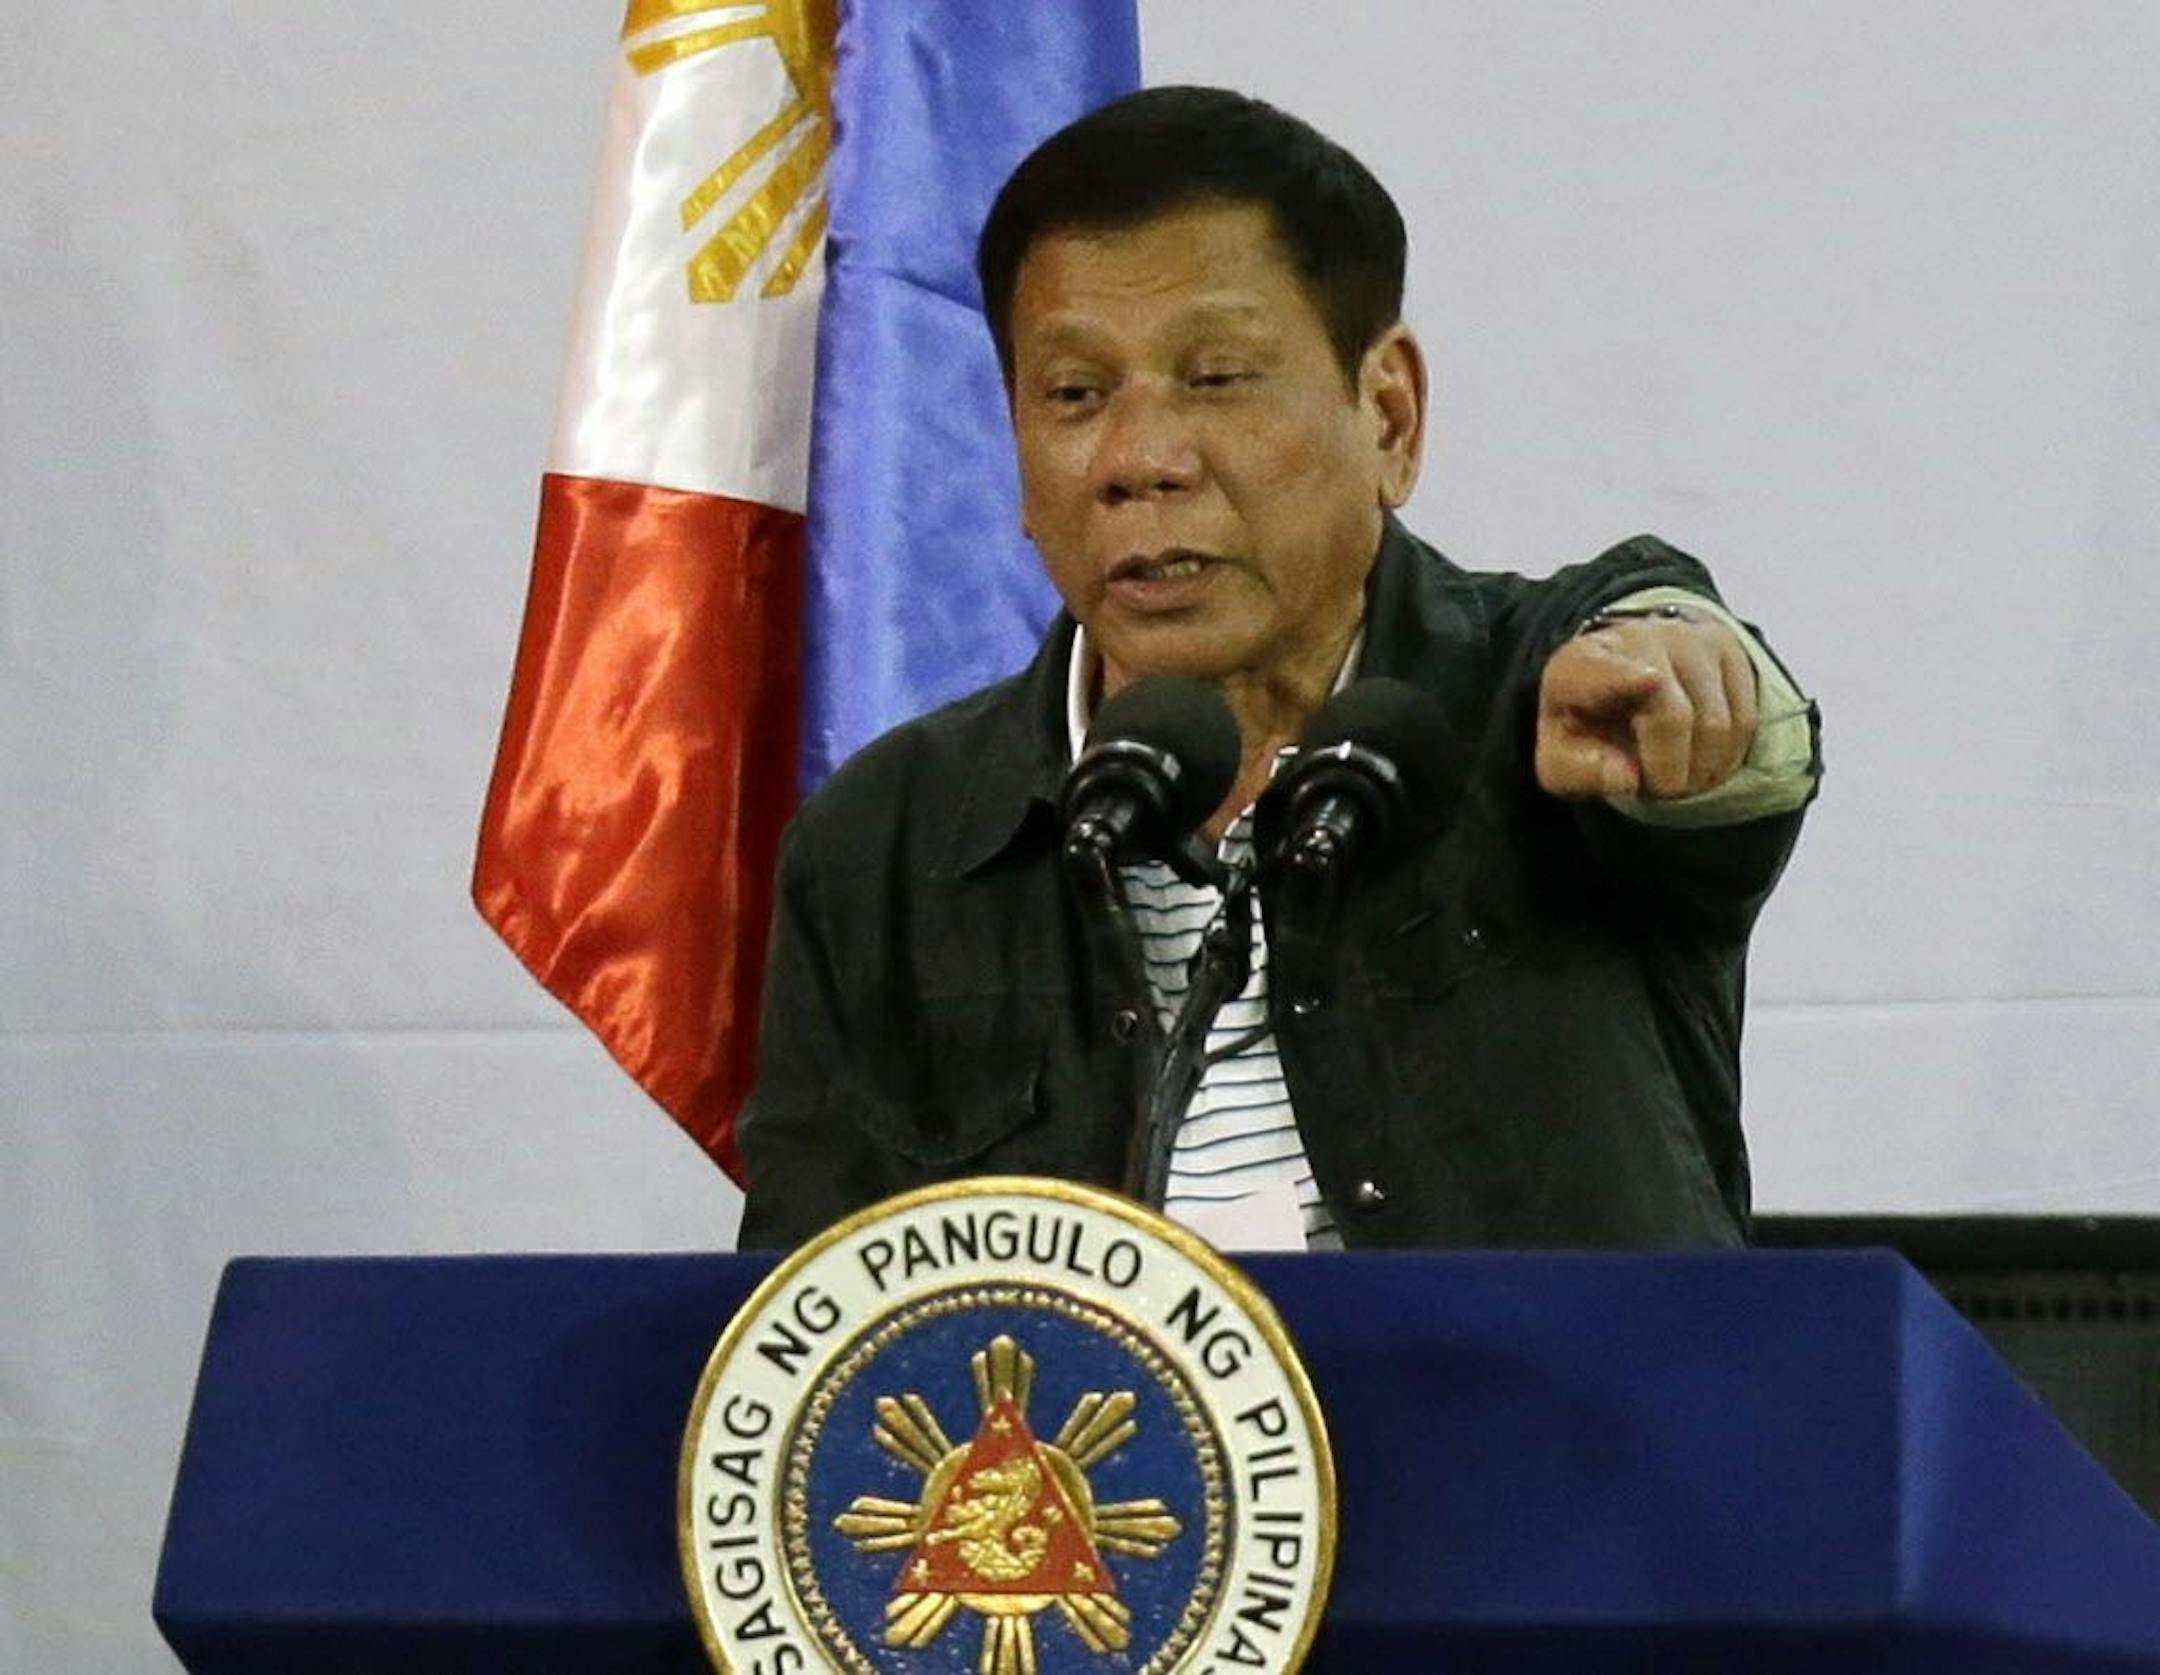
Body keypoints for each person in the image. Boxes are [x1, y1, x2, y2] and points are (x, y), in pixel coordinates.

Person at [737, 87, 1818, 1252]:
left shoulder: (1546, 714)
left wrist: (1693, 697)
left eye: (1217, 377)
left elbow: (1725, 737)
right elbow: (807, 1328)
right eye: (1074, 395)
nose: (1138, 461)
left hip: (1533, 1433)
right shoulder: (886, 847)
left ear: (1388, 416)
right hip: (1085, 1437)